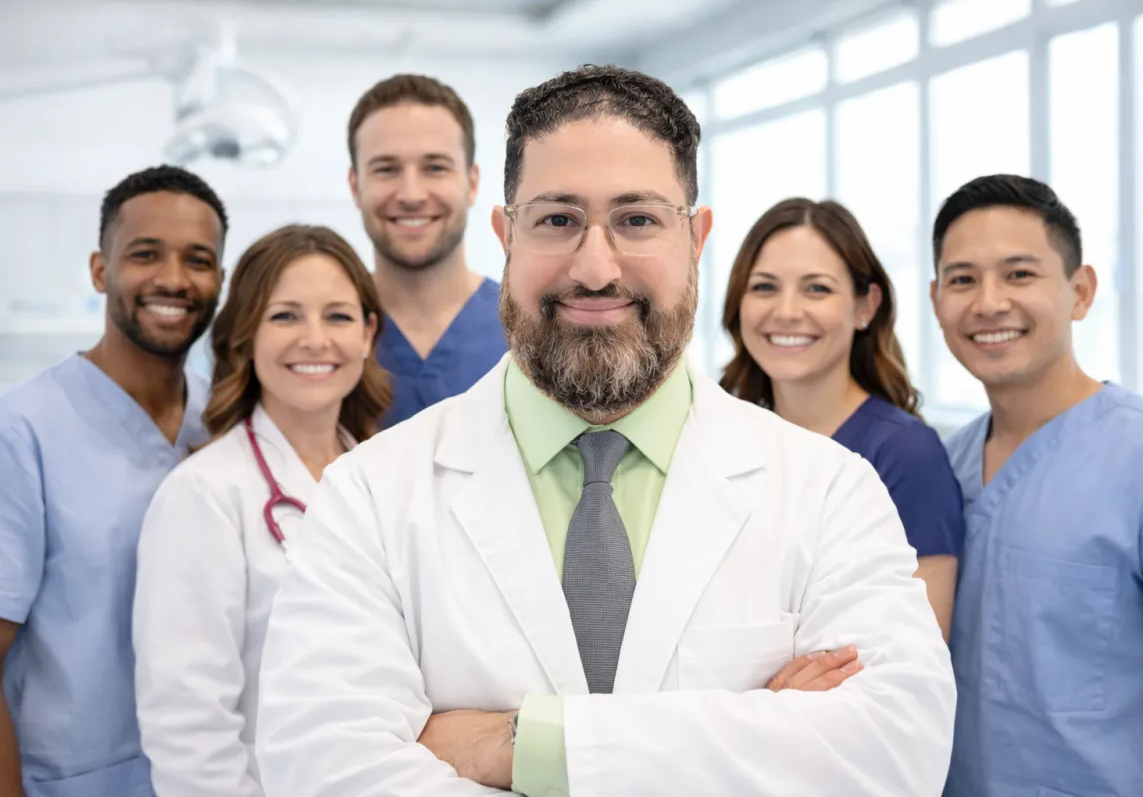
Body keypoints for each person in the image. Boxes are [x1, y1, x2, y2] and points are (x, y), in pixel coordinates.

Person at [254, 64, 956, 797]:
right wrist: (753, 731)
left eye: (638, 219)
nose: (595, 268)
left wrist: (520, 744)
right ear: (505, 235)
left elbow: (896, 751)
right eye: (557, 219)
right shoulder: (367, 496)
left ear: (697, 238)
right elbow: (319, 769)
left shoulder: (828, 490)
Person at [931, 174, 1143, 796]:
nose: (989, 302)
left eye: (1019, 274)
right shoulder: (944, 465)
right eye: (963, 279)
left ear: (1080, 292)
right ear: (936, 298)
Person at [131, 224, 391, 796]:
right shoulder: (203, 496)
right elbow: (188, 728)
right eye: (285, 316)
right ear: (245, 336)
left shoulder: (387, 482)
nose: (315, 339)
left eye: (339, 316)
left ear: (370, 334)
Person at [0, 165, 226, 796]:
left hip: (210, 777)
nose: (173, 280)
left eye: (198, 260)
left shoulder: (229, 426)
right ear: (101, 270)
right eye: (145, 254)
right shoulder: (21, 432)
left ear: (221, 281)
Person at [720, 197, 964, 640]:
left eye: (817, 288)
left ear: (865, 306)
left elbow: (914, 656)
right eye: (764, 287)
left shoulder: (907, 455)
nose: (787, 311)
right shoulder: (724, 443)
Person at [348, 73, 508, 427]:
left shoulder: (527, 331)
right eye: (386, 169)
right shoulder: (326, 336)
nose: (411, 195)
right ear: (355, 186)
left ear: (472, 183)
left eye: (435, 167)